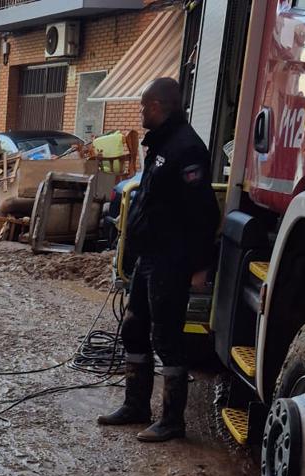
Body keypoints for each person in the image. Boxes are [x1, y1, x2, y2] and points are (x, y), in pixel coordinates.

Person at [98, 77, 220, 442]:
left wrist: (200, 265)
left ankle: (172, 420)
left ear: (157, 106)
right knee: (133, 327)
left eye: (142, 106)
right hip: (149, 257)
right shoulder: (162, 145)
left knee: (166, 337)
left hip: (173, 258)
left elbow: (203, 213)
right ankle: (136, 405)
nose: (139, 112)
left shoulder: (187, 148)